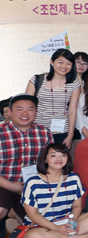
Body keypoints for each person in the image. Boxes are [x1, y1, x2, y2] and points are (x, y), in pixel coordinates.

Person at [21, 143, 88, 238]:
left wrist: (72, 222)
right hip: (41, 226)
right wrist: (56, 228)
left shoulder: (73, 178)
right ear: (45, 159)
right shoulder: (33, 182)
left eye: (63, 155)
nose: (59, 159)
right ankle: (81, 237)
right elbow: (33, 214)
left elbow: (77, 206)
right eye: (53, 155)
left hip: (65, 221)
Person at [0, 94, 53, 231]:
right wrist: (11, 186)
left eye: (30, 109)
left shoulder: (44, 133)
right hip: (3, 182)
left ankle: (11, 213)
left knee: (35, 227)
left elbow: (50, 164)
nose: (25, 113)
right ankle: (5, 211)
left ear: (36, 112)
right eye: (19, 109)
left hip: (31, 187)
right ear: (10, 112)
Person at [25, 49, 81, 148]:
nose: (64, 66)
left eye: (68, 63)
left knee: (58, 161)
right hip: (37, 130)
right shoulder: (37, 80)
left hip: (62, 131)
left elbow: (72, 111)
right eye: (60, 62)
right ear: (52, 62)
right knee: (39, 162)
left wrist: (70, 135)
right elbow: (27, 107)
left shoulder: (74, 84)